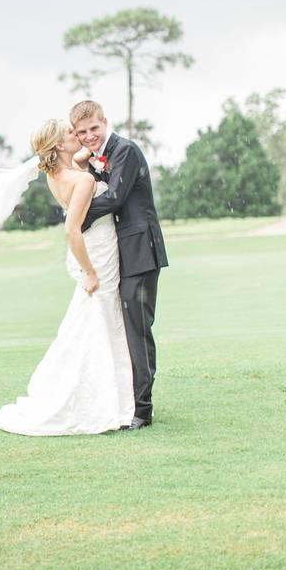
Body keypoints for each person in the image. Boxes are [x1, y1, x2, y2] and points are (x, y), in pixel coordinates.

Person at [0, 119, 134, 435]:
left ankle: (113, 399)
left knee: (92, 322)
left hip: (97, 247)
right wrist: (90, 271)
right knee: (101, 322)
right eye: (71, 133)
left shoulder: (57, 174)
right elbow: (72, 229)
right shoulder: (79, 181)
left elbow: (79, 163)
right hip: (96, 254)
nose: (77, 135)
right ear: (58, 145)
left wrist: (86, 156)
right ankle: (105, 403)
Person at [71, 100, 168, 430]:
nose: (89, 136)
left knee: (137, 329)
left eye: (94, 128)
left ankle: (143, 410)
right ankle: (126, 402)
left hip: (141, 250)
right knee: (123, 326)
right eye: (82, 132)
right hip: (120, 252)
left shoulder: (125, 150)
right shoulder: (100, 156)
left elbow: (113, 198)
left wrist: (76, 217)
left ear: (105, 122)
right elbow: (100, 185)